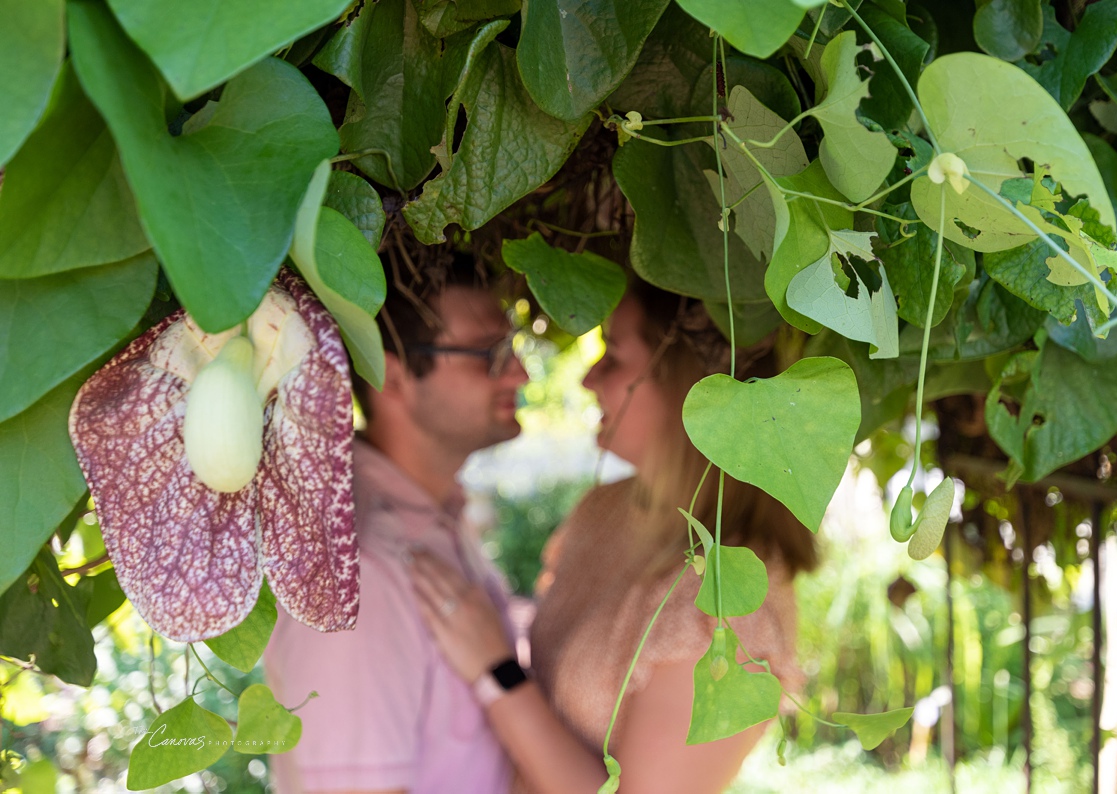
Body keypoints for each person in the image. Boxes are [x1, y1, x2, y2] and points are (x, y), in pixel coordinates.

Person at [410, 281, 819, 794]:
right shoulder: (606, 510)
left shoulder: (732, 607)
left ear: (691, 387)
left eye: (614, 356)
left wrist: (497, 673)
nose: (587, 377)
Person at [263, 254, 529, 794]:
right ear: (393, 376)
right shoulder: (358, 575)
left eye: (513, 348)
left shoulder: (436, 514)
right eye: (488, 353)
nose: (520, 372)